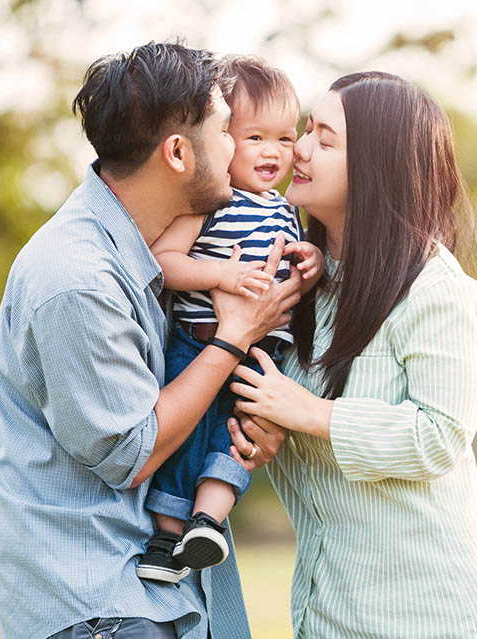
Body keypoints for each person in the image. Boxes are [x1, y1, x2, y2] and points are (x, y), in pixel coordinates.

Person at [0, 42, 300, 639]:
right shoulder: (77, 278)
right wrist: (233, 338)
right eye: (226, 129)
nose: (238, 146)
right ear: (178, 153)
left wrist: (251, 417)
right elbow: (135, 451)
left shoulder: (150, 255)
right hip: (103, 609)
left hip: (151, 597)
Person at [228, 72, 477, 638]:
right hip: (332, 617)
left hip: (441, 617)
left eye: (325, 139)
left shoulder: (434, 289)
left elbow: (439, 435)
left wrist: (306, 413)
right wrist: (270, 429)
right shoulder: (304, 283)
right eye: (307, 130)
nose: (298, 147)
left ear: (375, 168)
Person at [137, 55, 324, 583]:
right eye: (255, 137)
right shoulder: (209, 202)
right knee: (184, 438)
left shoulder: (286, 210)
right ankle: (165, 541)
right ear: (221, 138)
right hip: (198, 346)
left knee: (236, 437)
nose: (274, 153)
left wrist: (309, 262)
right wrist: (220, 275)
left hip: (263, 353)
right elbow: (165, 265)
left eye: (286, 140)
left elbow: (290, 267)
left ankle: (206, 524)